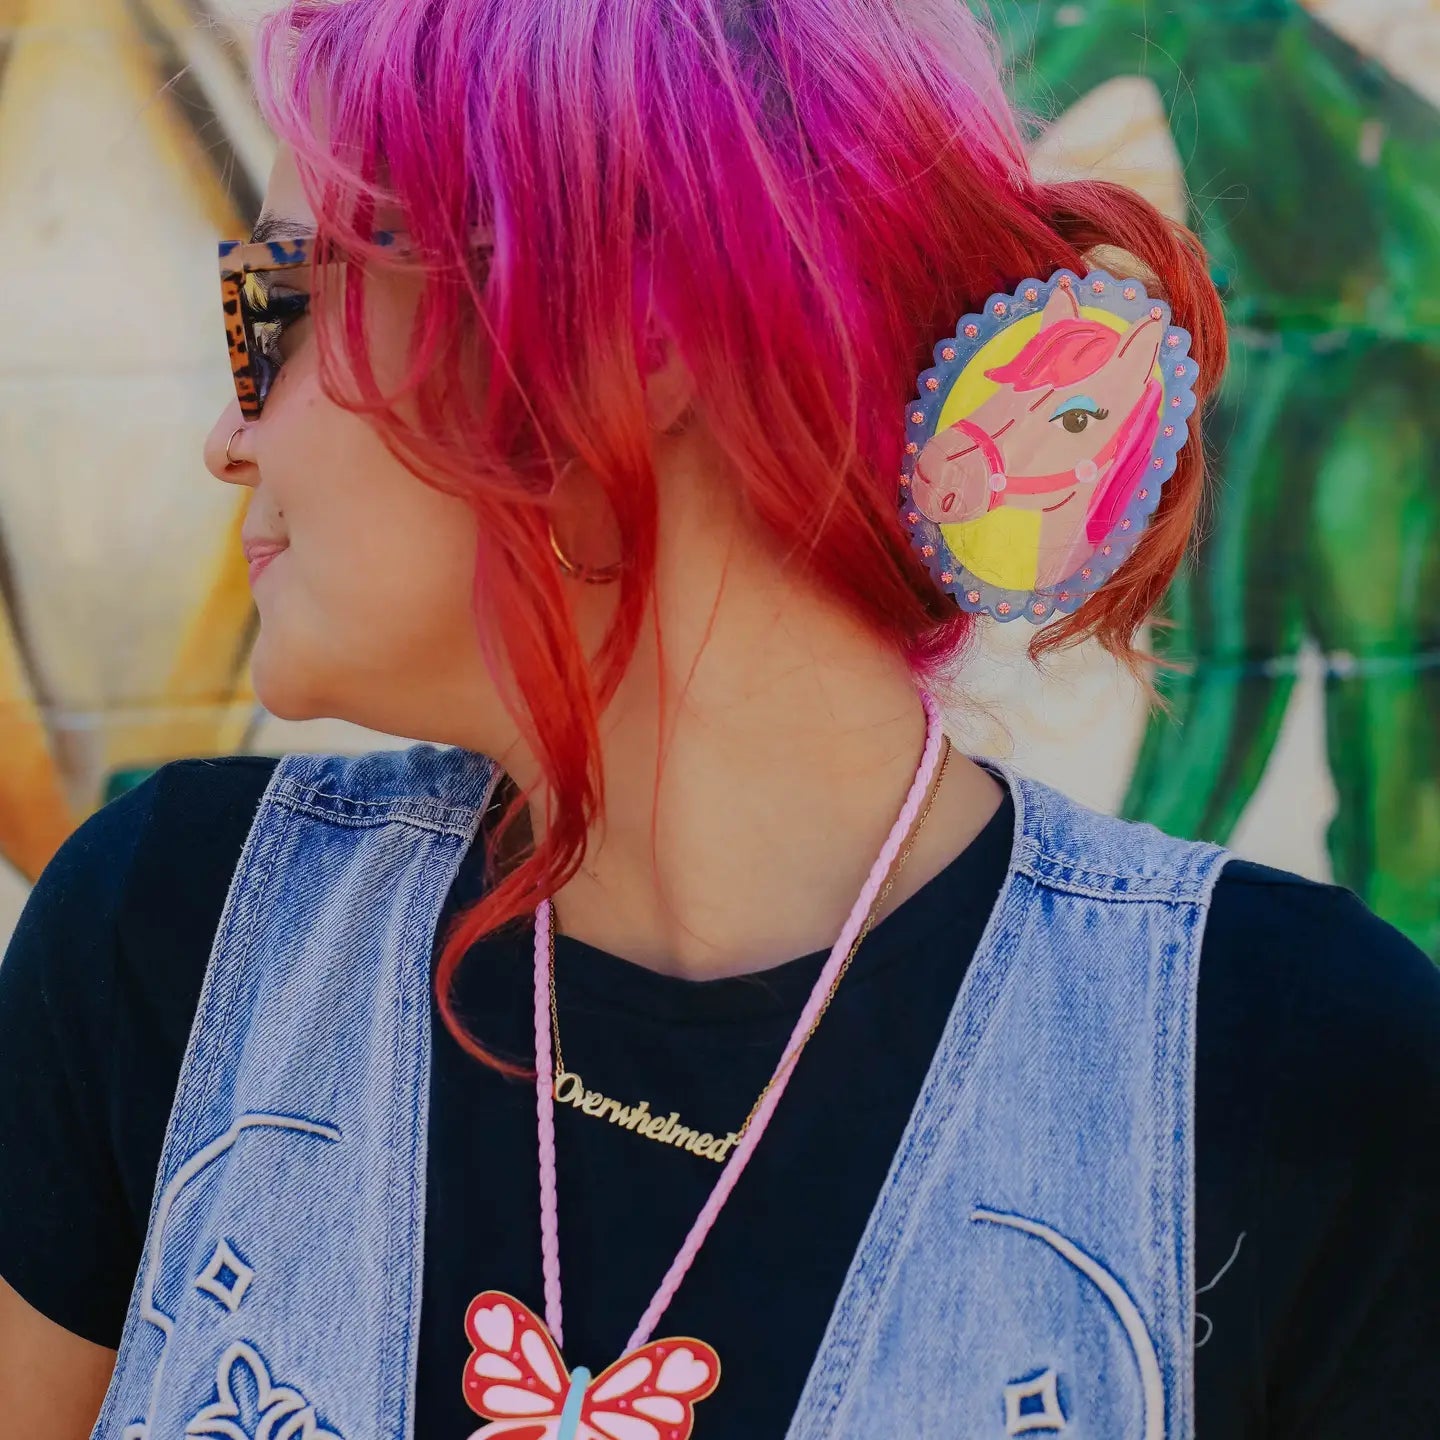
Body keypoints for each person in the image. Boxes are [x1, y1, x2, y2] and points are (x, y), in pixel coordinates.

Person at [1, 2, 1437, 1436]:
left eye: (281, 304)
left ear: (628, 336)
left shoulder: (1297, 1081)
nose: (229, 435)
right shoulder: (174, 944)